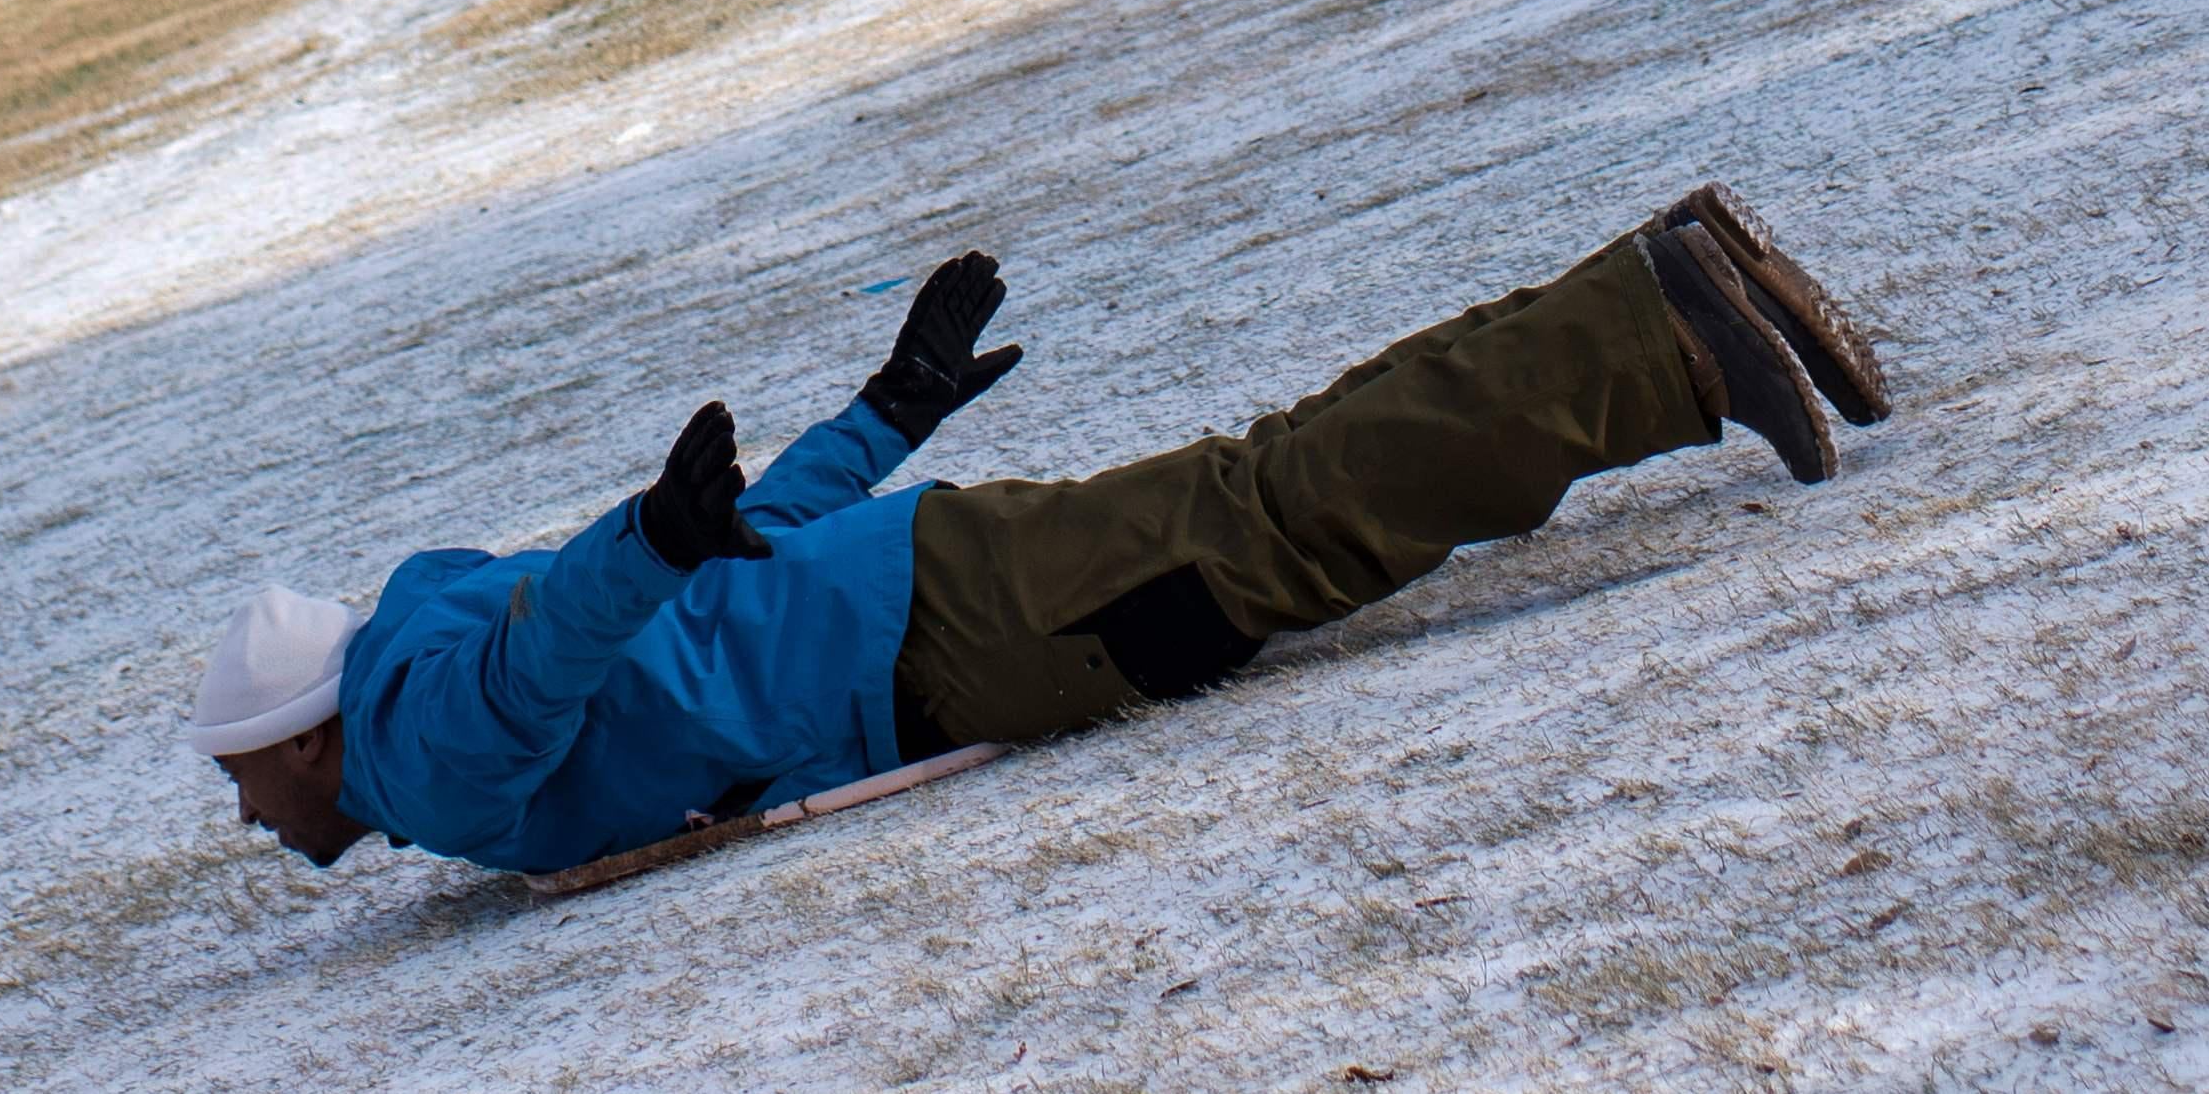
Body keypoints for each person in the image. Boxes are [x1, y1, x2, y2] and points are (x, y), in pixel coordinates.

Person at [190, 193, 1892, 881]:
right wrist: (894, 409)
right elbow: (730, 549)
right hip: (917, 582)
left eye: (240, 779)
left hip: (940, 647)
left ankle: (1660, 336)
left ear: (300, 739)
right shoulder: (443, 646)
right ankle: (1677, 297)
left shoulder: (413, 750)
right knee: (1273, 490)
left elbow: (561, 654)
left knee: (1286, 524)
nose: (249, 818)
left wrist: (645, 538)